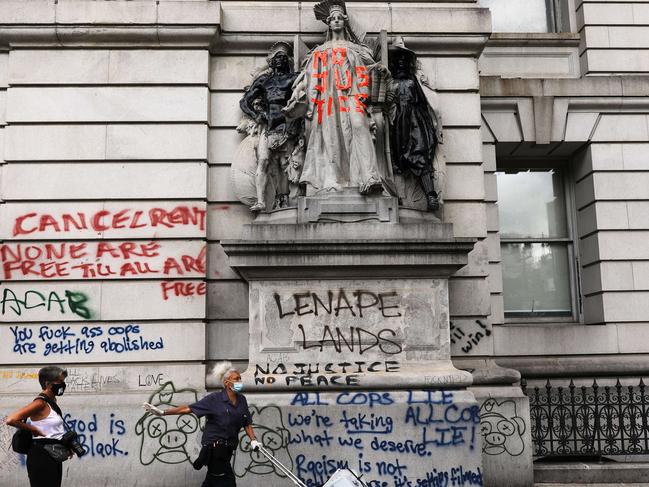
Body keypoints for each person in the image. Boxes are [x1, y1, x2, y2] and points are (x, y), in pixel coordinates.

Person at [284, 0, 392, 195]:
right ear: (328, 23)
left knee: (359, 126)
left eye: (339, 18)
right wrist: (298, 95)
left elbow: (369, 68)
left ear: (345, 21)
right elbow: (306, 74)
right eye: (332, 19)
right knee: (329, 135)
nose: (336, 21)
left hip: (353, 94)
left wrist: (379, 70)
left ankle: (369, 176)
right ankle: (331, 177)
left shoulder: (356, 48)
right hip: (327, 97)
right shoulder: (319, 51)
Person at [143, 363, 260, 487]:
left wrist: (253, 440)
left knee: (214, 478)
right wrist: (163, 413)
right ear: (226, 383)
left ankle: (203, 469)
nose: (239, 381)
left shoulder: (242, 400)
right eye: (236, 379)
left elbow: (246, 421)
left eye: (240, 379)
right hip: (214, 447)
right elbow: (188, 409)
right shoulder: (214, 399)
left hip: (229, 447)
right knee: (226, 479)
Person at [239, 41, 301, 212]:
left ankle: (284, 200)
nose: (280, 59)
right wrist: (256, 115)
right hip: (268, 125)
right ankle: (261, 201)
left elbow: (303, 97)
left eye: (283, 56)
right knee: (264, 161)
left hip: (286, 124)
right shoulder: (264, 81)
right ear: (272, 61)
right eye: (277, 57)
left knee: (283, 164)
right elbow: (245, 101)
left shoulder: (293, 78)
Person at [388, 38, 443, 211]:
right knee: (399, 157)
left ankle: (431, 195)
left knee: (419, 153)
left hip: (416, 120)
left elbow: (426, 102)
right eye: (398, 59)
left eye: (405, 59)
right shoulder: (390, 83)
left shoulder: (415, 82)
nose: (402, 62)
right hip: (397, 123)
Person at [5, 366, 71, 487]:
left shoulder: (51, 402)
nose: (63, 384)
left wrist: (67, 445)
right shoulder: (40, 403)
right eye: (60, 381)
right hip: (41, 456)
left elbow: (53, 431)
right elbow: (11, 419)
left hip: (53, 455)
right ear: (48, 384)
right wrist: (33, 429)